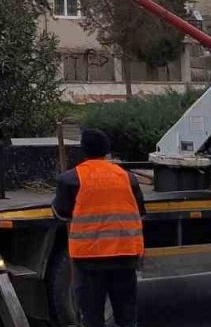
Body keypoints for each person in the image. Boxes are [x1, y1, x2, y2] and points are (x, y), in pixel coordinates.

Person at [52, 129, 146, 327]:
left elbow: (60, 213)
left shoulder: (70, 179)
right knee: (127, 317)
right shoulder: (127, 177)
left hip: (89, 260)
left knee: (92, 317)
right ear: (107, 150)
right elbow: (140, 212)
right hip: (125, 257)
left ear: (83, 150)